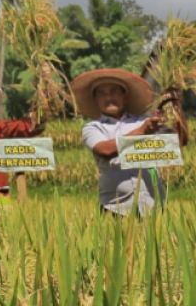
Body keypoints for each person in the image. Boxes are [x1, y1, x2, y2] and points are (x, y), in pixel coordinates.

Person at [73, 68, 189, 216]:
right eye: (102, 93)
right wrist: (142, 131)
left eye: (114, 91)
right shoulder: (93, 128)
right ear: (95, 100)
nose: (109, 97)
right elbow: (104, 150)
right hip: (115, 209)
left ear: (125, 97)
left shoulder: (145, 121)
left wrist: (176, 106)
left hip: (153, 207)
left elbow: (179, 141)